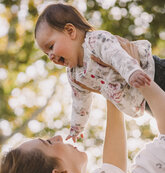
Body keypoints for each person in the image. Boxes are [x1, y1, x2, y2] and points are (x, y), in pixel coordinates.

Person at [0, 44, 165, 173]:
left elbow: (112, 169)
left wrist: (110, 89)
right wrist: (134, 72)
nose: (59, 138)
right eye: (49, 143)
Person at [34, 3, 165, 141]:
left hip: (153, 72)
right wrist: (76, 127)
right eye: (46, 54)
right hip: (144, 101)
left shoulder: (95, 42)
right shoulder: (74, 75)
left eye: (51, 47)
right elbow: (79, 101)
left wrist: (132, 72)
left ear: (70, 31)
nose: (51, 56)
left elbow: (117, 56)